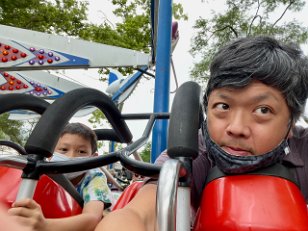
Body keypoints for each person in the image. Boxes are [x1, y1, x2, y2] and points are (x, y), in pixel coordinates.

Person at [94, 35, 308, 231]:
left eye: (263, 110)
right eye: (223, 106)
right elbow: (141, 212)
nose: (236, 128)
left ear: (291, 123)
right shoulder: (192, 151)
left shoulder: (304, 149)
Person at [8, 122, 113, 231]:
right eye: (64, 150)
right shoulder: (41, 170)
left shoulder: (94, 178)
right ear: (50, 153)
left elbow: (92, 218)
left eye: (81, 151)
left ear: (93, 158)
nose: (71, 157)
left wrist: (44, 225)